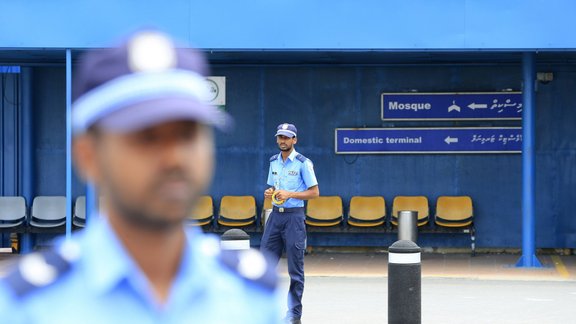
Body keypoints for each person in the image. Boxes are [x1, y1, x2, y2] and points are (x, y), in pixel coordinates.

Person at [0, 30, 281, 323]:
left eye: (187, 135)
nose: (174, 158)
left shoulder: (252, 298)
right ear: (88, 156)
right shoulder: (29, 307)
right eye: (146, 138)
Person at [261, 123, 319, 324]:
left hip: (294, 217)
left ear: (294, 140)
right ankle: (261, 311)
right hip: (275, 216)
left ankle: (294, 314)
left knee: (295, 268)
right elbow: (273, 188)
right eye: (280, 137)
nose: (282, 141)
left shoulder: (303, 163)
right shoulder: (273, 162)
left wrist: (290, 194)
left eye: (286, 137)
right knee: (264, 264)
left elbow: (314, 192)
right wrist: (270, 193)